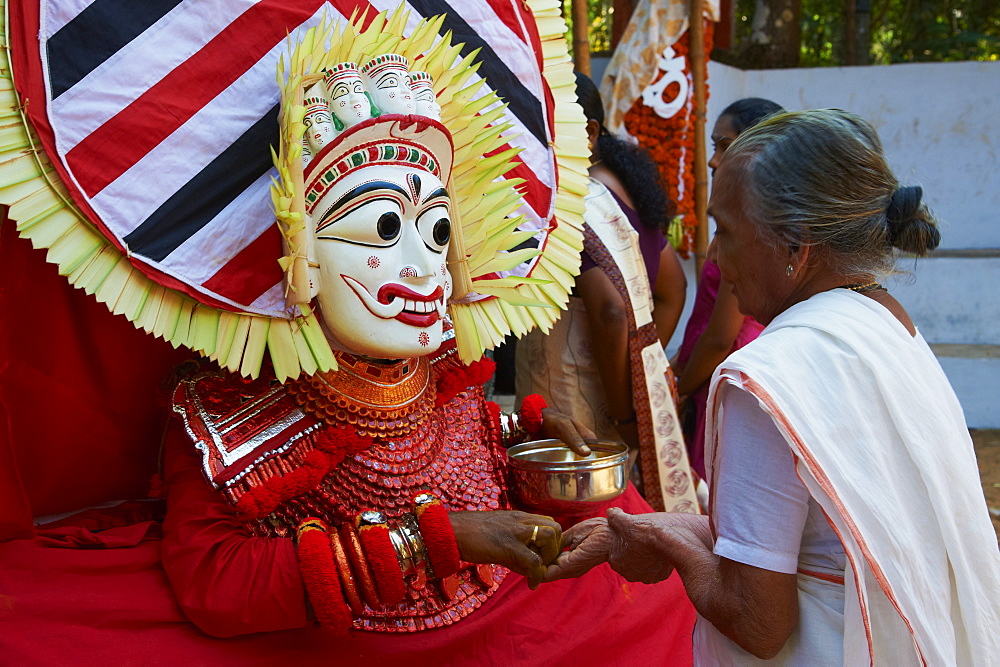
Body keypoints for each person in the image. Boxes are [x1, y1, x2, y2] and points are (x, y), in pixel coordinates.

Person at [0, 11, 698, 663]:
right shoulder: (226, 403)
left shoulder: (440, 364)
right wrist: (434, 542)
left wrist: (526, 430)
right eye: (385, 227)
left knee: (655, 589)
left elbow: (444, 445)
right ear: (302, 252)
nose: (423, 262)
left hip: (490, 609)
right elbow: (216, 582)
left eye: (437, 231)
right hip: (352, 638)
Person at [544, 109, 1000, 663]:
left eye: (727, 232)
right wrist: (653, 528)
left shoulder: (764, 379)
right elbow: (817, 540)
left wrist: (663, 542)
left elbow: (757, 621)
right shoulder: (887, 320)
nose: (713, 255)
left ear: (795, 247)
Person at [516, 72, 697, 512]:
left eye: (540, 128)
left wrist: (621, 412)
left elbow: (612, 312)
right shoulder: (621, 195)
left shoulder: (574, 206)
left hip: (577, 408)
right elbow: (674, 289)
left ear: (590, 133)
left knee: (583, 530)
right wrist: (642, 370)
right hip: (613, 395)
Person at [672, 97, 783, 478]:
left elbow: (722, 334)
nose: (712, 159)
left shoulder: (751, 219)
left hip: (724, 366)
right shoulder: (751, 209)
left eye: (723, 145)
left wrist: (680, 388)